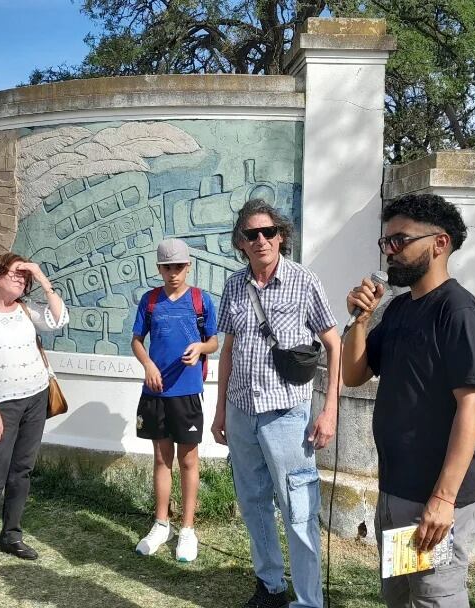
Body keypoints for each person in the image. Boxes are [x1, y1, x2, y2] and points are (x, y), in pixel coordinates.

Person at [341, 193, 475, 608]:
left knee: (434, 597)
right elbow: (354, 375)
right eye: (385, 243)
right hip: (396, 491)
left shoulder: (456, 311)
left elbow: (472, 405)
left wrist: (442, 501)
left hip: (434, 499)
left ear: (439, 243)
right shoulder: (402, 309)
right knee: (401, 598)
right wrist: (362, 319)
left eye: (400, 241)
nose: (390, 252)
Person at [211, 198, 341, 608]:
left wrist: (330, 409)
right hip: (241, 411)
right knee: (253, 505)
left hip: (287, 416)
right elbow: (228, 350)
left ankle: (308, 600)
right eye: (252, 235)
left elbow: (334, 346)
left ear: (281, 236)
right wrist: (220, 411)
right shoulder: (234, 285)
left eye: (269, 232)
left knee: (298, 510)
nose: (261, 240)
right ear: (241, 243)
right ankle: (270, 586)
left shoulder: (304, 281)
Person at [0, 252, 68, 574]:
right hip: (1, 405)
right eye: (15, 274)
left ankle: (11, 535)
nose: (22, 280)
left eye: (26, 277)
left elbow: (57, 320)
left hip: (35, 399)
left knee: (22, 471)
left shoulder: (24, 309)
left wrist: (42, 277)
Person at [130, 238, 219, 562]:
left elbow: (214, 342)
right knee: (161, 459)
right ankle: (161, 523)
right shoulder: (150, 301)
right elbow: (137, 341)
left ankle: (188, 529)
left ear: (188, 266)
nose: (173, 273)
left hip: (187, 393)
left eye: (179, 267)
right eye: (167, 267)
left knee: (188, 461)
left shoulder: (200, 300)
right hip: (155, 393)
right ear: (159, 269)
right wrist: (148, 364)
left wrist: (200, 349)